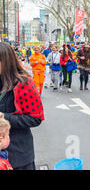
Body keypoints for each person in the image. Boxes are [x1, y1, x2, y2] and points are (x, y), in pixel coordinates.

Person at [0, 42, 44, 170]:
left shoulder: (24, 83)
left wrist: (3, 117)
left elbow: (36, 118)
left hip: (18, 154)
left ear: (6, 61)